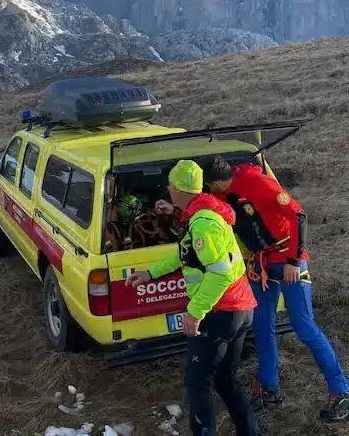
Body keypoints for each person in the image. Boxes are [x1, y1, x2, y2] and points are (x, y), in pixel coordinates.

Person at [203, 156, 349, 421]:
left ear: (215, 182)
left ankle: (341, 391)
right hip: (263, 264)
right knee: (261, 326)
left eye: (209, 187)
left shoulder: (257, 182)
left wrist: (294, 261)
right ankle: (269, 388)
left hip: (289, 258)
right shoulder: (223, 194)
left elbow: (298, 215)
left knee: (304, 326)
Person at [129, 160, 259, 436]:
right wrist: (150, 273)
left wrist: (196, 311)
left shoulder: (203, 223)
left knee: (198, 383)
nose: (167, 188)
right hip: (237, 307)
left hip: (220, 311)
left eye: (170, 184)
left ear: (178, 188)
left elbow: (220, 273)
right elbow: (185, 253)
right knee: (225, 380)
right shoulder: (201, 211)